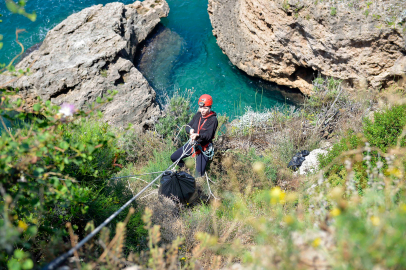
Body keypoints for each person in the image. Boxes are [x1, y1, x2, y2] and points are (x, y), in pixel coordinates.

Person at [170, 94, 218, 177]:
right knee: (174, 157)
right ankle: (187, 172)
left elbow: (208, 136)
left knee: (198, 175)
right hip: (193, 144)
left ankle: (197, 185)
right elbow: (188, 126)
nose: (202, 110)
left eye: (205, 108)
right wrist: (190, 130)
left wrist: (198, 136)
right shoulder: (198, 115)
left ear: (210, 108)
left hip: (204, 148)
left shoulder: (213, 120)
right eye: (201, 107)